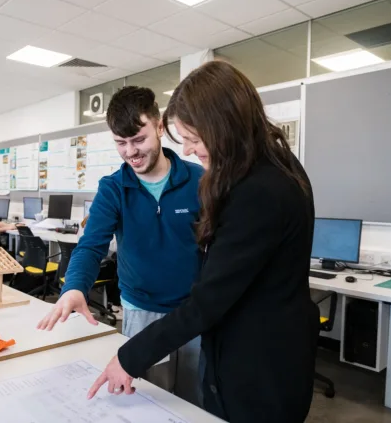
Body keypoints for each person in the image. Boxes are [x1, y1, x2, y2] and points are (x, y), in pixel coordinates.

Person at [87, 61, 320, 423]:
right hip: (258, 349)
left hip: (258, 367)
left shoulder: (258, 191)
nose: (191, 150)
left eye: (195, 139)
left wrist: (128, 358)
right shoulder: (277, 164)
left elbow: (210, 300)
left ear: (224, 125)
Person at [38, 86, 204, 405]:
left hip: (194, 313)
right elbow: (91, 245)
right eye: (120, 143)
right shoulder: (114, 188)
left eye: (138, 139)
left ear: (159, 126)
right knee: (145, 401)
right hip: (141, 311)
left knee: (193, 401)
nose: (131, 152)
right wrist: (74, 288)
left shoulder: (198, 180)